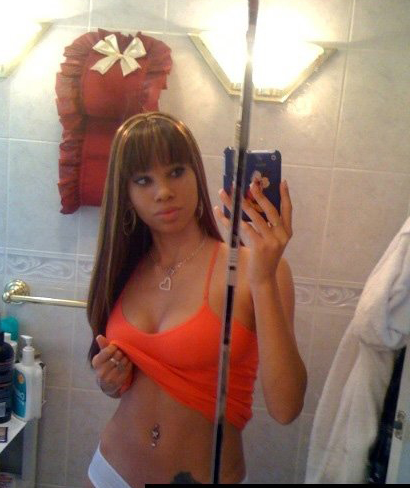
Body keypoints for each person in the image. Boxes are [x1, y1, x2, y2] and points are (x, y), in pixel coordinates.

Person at [85, 112, 307, 487]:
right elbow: (126, 383)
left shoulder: (253, 268)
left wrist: (265, 278)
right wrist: (110, 381)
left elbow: (286, 409)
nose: (163, 192)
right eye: (143, 180)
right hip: (110, 472)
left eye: (176, 172)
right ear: (127, 193)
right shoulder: (122, 267)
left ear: (197, 175)